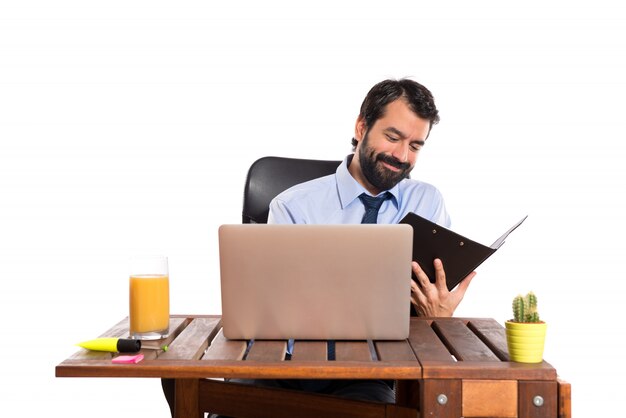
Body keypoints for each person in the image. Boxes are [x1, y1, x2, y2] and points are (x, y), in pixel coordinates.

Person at [162, 78, 475, 415]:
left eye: (415, 145)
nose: (402, 155)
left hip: (369, 376)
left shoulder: (426, 203)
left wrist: (439, 318)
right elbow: (264, 308)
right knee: (193, 388)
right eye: (393, 137)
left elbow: (431, 310)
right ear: (361, 126)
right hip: (281, 367)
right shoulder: (293, 205)